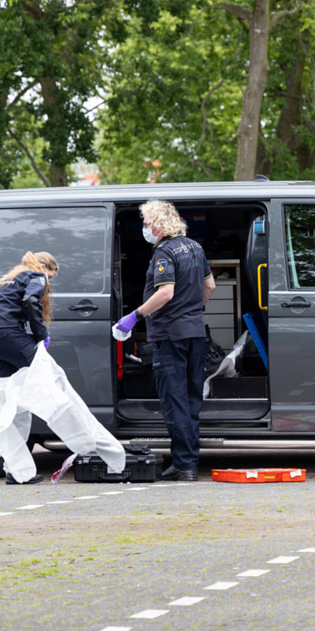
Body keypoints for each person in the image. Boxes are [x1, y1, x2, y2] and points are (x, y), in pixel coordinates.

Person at [113, 200, 216, 482]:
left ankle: (184, 465)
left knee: (174, 401)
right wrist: (193, 310)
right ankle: (189, 462)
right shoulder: (195, 247)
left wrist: (135, 315)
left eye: (146, 223)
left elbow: (165, 293)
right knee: (192, 399)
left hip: (171, 335)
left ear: (158, 224)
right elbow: (210, 286)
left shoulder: (164, 253)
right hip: (195, 332)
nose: (145, 228)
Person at [0, 251, 59, 484]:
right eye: (52, 276)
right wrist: (40, 335)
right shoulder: (36, 276)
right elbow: (30, 301)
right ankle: (81, 436)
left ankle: (15, 471)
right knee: (51, 378)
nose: (49, 282)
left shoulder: (0, 280)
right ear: (45, 267)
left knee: (9, 404)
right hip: (9, 335)